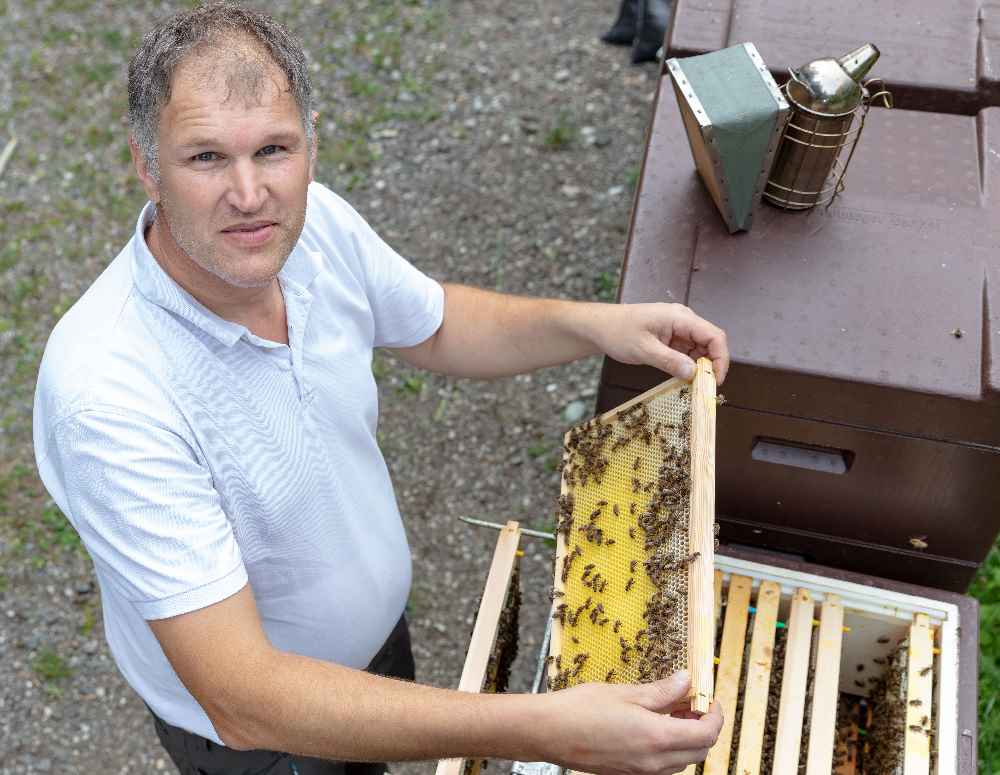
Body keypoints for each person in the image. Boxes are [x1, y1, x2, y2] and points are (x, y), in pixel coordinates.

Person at [32, 4, 729, 773]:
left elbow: (433, 323)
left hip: (373, 647)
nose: (249, 192)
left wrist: (595, 324)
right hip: (264, 740)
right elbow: (243, 694)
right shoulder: (106, 393)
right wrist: (541, 726)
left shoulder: (313, 227)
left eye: (274, 149)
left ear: (312, 139)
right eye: (205, 158)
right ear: (145, 163)